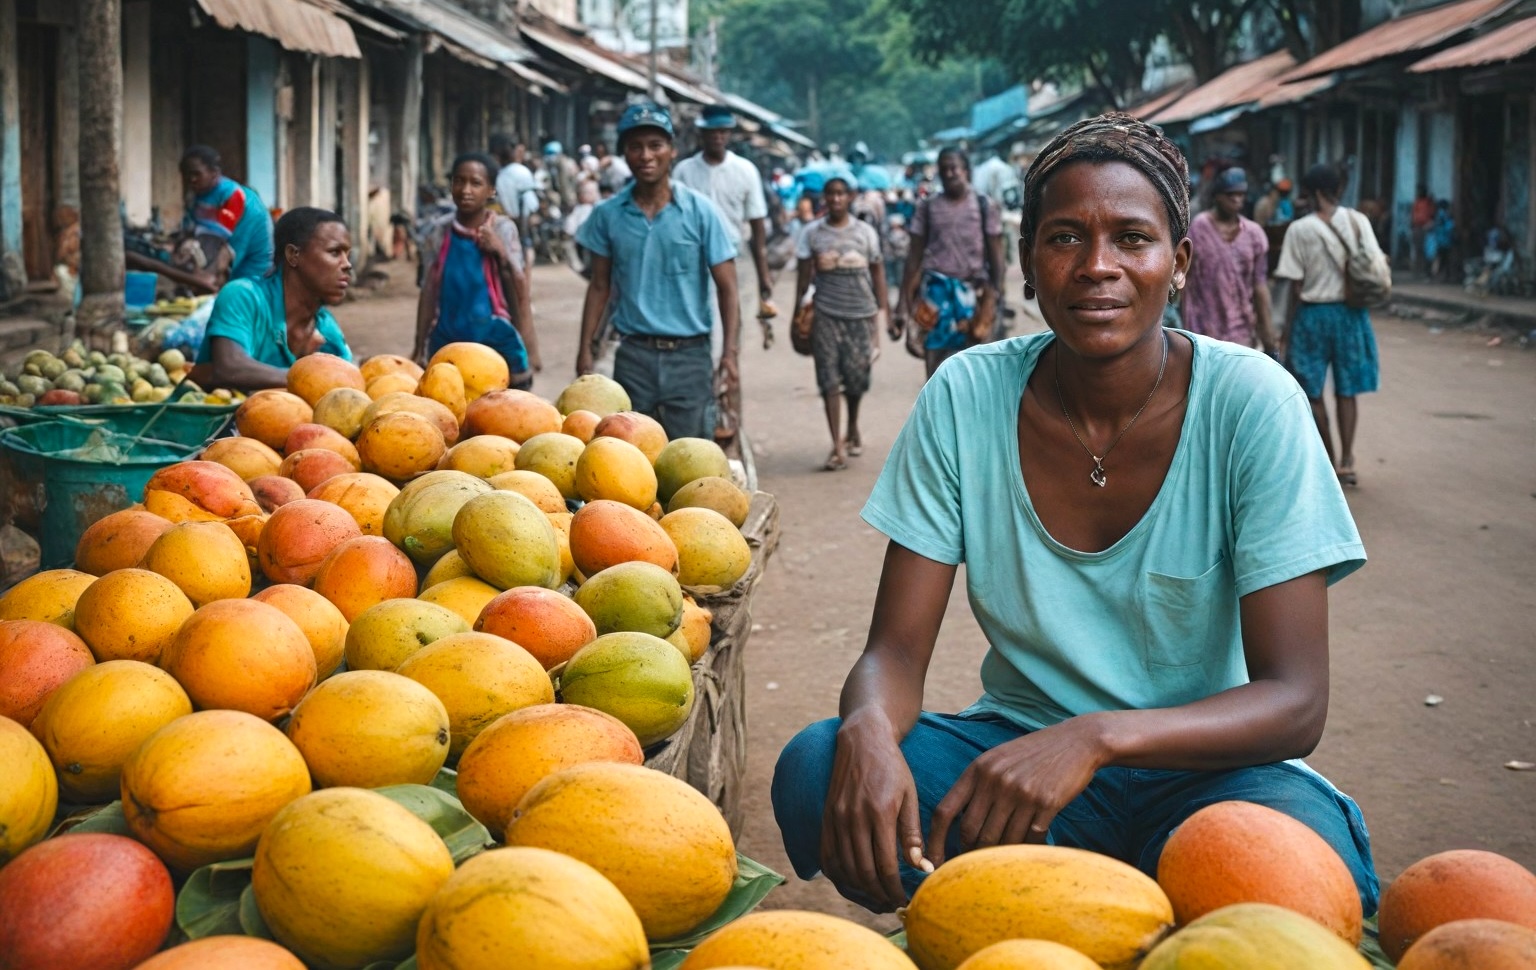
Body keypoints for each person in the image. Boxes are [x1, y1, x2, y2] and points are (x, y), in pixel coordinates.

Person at [771, 112, 1378, 920]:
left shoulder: (1252, 403)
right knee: (819, 768)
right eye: (1064, 239)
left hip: (1212, 772)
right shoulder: (965, 396)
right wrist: (870, 732)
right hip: (1017, 758)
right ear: (1027, 263)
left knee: (1296, 889)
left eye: (1132, 239)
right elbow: (895, 653)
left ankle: (1051, 910)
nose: (1098, 267)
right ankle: (1095, 911)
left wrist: (1094, 738)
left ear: (1179, 263)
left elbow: (1295, 701)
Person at [574, 102, 740, 441]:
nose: (646, 156)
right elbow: (599, 286)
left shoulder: (700, 212)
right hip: (633, 355)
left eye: (655, 145)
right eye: (635, 147)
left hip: (690, 357)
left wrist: (729, 354)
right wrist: (585, 348)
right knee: (629, 454)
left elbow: (728, 288)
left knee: (690, 454)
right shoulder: (608, 215)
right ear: (625, 153)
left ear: (672, 151)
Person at [1273, 163, 1383, 488]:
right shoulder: (1358, 221)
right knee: (1347, 389)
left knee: (1311, 390)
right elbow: (1374, 262)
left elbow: (1294, 285)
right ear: (1338, 189)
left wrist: (1285, 330)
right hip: (1352, 313)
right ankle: (1348, 461)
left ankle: (1330, 460)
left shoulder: (1300, 229)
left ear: (1312, 192)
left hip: (1312, 315)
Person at [190, 207, 352, 392]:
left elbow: (349, 384)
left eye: (348, 255)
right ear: (293, 255)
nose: (347, 265)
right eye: (335, 252)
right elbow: (230, 367)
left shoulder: (326, 328)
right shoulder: (244, 296)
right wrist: (311, 379)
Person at [414, 152, 539, 388]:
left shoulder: (502, 229)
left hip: (495, 341)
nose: (466, 190)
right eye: (459, 181)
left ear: (491, 190)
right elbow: (429, 290)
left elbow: (519, 287)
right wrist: (419, 345)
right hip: (447, 341)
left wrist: (499, 251)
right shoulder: (439, 232)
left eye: (476, 183)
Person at [792, 176, 888, 472]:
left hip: (860, 315)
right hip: (825, 315)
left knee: (856, 379)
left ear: (850, 197)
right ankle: (837, 445)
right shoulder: (812, 233)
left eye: (840, 194)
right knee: (829, 379)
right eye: (830, 194)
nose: (835, 199)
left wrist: (883, 313)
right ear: (824, 198)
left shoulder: (865, 233)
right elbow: (803, 278)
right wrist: (797, 316)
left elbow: (877, 273)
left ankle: (853, 425)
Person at [895, 147, 1006, 377]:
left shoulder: (984, 205)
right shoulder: (927, 207)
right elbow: (913, 257)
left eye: (954, 168)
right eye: (944, 169)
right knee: (936, 367)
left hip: (973, 295)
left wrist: (996, 294)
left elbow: (996, 255)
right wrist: (902, 306)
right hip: (936, 297)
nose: (949, 173)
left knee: (975, 367)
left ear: (966, 171)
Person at [672, 105, 776, 349]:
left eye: (722, 131)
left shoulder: (745, 170)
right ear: (701, 133)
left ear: (729, 134)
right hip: (693, 257)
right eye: (712, 131)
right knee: (696, 318)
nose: (717, 136)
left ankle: (729, 363)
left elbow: (757, 226)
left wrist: (764, 275)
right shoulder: (684, 171)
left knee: (732, 316)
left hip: (733, 255)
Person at [1182, 167, 1276, 353]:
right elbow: (1185, 277)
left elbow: (1260, 285)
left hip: (1241, 328)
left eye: (1240, 195)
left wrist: (1268, 336)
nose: (1236, 200)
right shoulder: (1199, 228)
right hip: (1203, 327)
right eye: (1230, 195)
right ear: (1217, 196)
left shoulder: (1254, 234)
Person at [180, 145, 275, 283]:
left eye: (197, 174)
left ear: (214, 172)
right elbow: (193, 231)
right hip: (228, 267)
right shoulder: (199, 195)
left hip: (254, 275)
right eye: (187, 175)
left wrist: (207, 276)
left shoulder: (235, 198)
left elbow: (229, 250)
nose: (191, 179)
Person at [491, 134, 539, 270]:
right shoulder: (522, 172)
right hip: (522, 218)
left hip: (510, 217)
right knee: (525, 249)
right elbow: (531, 202)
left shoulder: (501, 174)